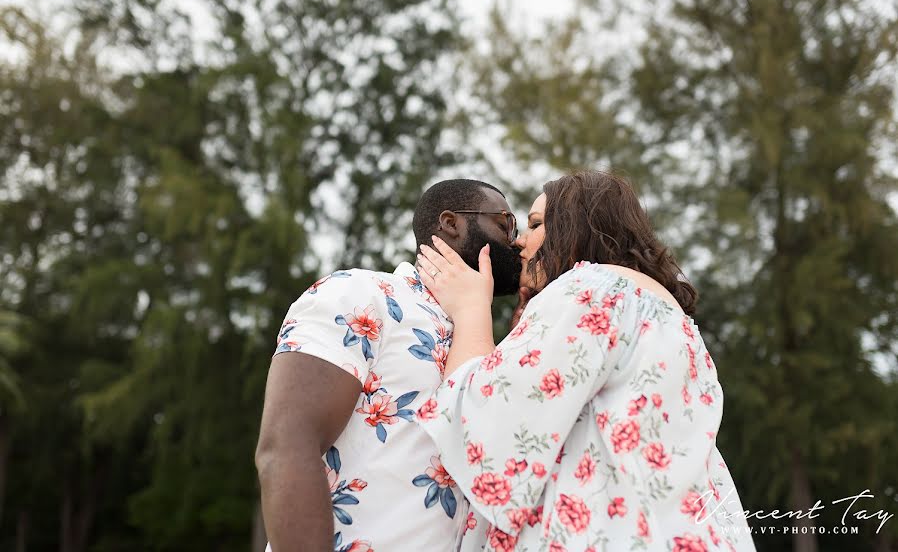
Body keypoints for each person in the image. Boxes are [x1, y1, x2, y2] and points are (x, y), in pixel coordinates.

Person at [414, 170, 756, 552]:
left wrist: (471, 310)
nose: (521, 243)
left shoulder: (589, 289)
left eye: (536, 224)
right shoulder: (673, 319)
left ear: (577, 226)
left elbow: (491, 421)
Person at [255, 179, 524, 552]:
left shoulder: (482, 342)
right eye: (506, 223)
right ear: (451, 223)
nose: (518, 241)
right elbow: (287, 445)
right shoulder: (361, 295)